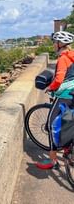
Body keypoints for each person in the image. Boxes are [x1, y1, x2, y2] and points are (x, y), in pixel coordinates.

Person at [36, 31, 74, 169]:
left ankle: (53, 161)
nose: (53, 45)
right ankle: (69, 151)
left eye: (54, 42)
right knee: (68, 121)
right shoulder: (72, 55)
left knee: (51, 125)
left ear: (60, 44)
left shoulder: (63, 58)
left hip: (65, 95)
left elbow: (58, 79)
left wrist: (51, 88)